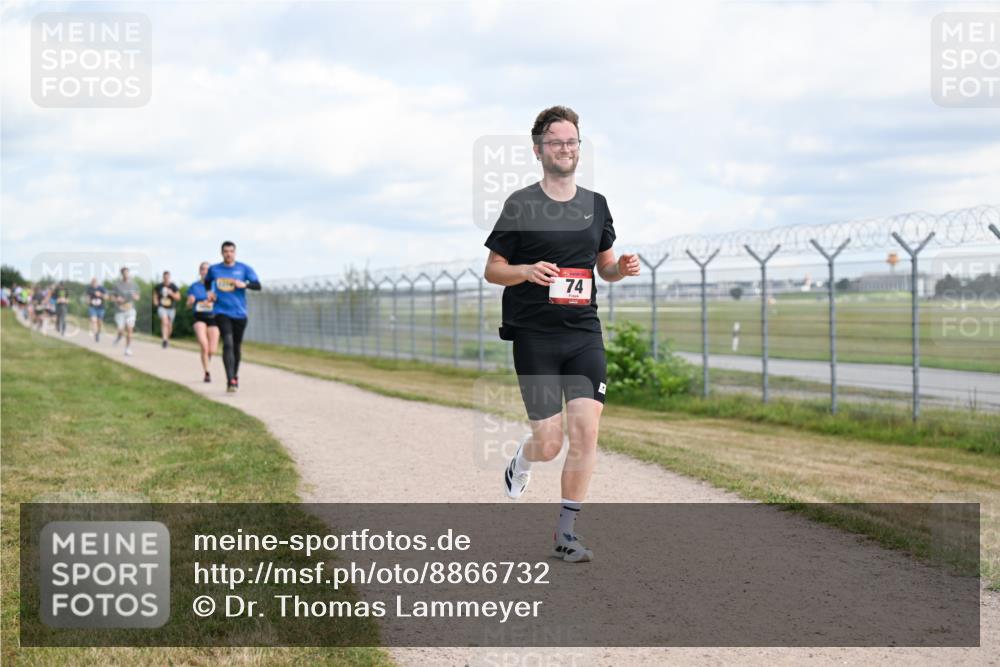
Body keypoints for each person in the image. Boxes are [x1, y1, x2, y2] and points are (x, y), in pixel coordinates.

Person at [483, 106, 640, 563]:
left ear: (579, 147)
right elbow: (493, 271)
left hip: (583, 334)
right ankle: (524, 458)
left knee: (586, 432)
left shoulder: (597, 205)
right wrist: (526, 270)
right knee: (550, 443)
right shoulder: (521, 204)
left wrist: (619, 270)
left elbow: (604, 267)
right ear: (538, 149)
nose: (565, 149)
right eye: (556, 142)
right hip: (535, 336)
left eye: (572, 142)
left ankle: (567, 533)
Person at [204, 241, 261, 392]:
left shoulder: (244, 269)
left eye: (231, 251)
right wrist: (209, 292)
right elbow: (207, 281)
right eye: (226, 251)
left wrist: (245, 285)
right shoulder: (214, 269)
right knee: (227, 343)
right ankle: (230, 380)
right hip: (221, 312)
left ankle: (235, 376)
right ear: (221, 253)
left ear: (235, 253)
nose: (228, 254)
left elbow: (258, 285)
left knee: (236, 347)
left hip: (240, 313)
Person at [187, 262, 220, 383]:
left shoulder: (216, 286)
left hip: (213, 317)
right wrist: (190, 301)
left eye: (207, 269)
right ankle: (207, 372)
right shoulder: (194, 286)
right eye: (202, 269)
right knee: (204, 345)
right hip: (199, 317)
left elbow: (223, 301)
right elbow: (188, 304)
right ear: (199, 271)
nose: (205, 271)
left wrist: (215, 299)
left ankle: (207, 359)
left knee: (212, 350)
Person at [112, 267, 140, 356]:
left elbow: (138, 297)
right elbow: (111, 297)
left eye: (127, 273)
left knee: (129, 329)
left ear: (129, 274)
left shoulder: (134, 285)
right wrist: (117, 299)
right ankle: (119, 337)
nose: (126, 275)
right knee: (120, 330)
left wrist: (134, 296)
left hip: (131, 310)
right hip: (120, 311)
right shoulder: (117, 285)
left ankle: (127, 348)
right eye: (124, 273)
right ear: (122, 274)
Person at [152, 271, 181, 349]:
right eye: (165, 277)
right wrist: (155, 302)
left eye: (167, 277)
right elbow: (155, 295)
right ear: (163, 277)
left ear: (169, 277)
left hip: (171, 309)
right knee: (165, 321)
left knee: (169, 326)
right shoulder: (159, 286)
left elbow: (178, 297)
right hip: (162, 307)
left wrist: (171, 293)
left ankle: (166, 339)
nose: (166, 278)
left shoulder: (173, 286)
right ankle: (164, 340)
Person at [86, 277, 108, 342]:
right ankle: (96, 333)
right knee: (93, 320)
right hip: (92, 307)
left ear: (97, 283)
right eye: (92, 282)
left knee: (100, 322)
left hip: (101, 308)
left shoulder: (102, 288)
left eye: (95, 282)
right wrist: (88, 301)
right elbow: (87, 298)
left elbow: (106, 297)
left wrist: (100, 294)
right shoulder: (89, 289)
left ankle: (98, 332)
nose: (93, 284)